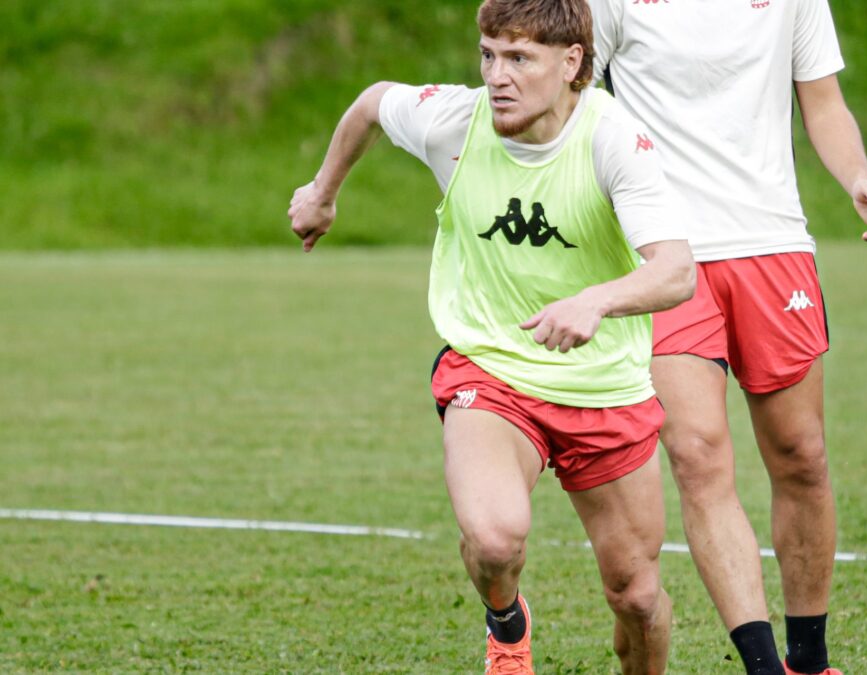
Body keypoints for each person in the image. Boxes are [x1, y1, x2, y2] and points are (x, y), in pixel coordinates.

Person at [288, 1, 695, 672]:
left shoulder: (613, 138)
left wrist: (597, 301)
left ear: (571, 64)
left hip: (605, 387)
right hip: (492, 368)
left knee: (638, 595)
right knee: (495, 540)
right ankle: (506, 624)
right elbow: (370, 104)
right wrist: (323, 192)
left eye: (519, 58)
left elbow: (677, 270)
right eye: (488, 55)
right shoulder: (454, 120)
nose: (496, 76)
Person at [589, 2, 867, 674]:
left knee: (801, 453)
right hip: (664, 252)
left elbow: (822, 101)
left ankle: (810, 660)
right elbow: (578, 104)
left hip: (771, 244)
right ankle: (764, 666)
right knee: (698, 454)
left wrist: (858, 179)